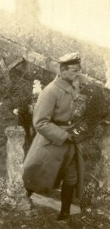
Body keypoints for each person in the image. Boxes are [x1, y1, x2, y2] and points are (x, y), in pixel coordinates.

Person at [23, 53, 89, 221]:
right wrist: (64, 135)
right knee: (37, 173)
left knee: (72, 177)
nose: (78, 74)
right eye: (74, 70)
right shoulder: (50, 91)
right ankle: (21, 199)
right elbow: (39, 123)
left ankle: (65, 213)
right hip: (51, 141)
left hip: (70, 142)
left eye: (79, 70)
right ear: (62, 70)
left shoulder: (73, 85)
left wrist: (78, 130)